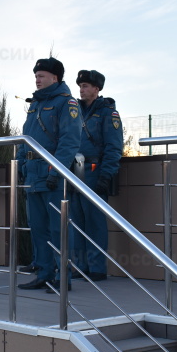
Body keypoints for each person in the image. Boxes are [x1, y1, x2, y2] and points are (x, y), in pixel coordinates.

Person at [16, 57, 81, 291]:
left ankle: (63, 277)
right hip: (33, 175)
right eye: (36, 75)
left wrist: (57, 170)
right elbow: (25, 138)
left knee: (59, 228)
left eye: (41, 75)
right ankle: (43, 272)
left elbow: (69, 141)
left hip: (52, 174)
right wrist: (22, 165)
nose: (37, 79)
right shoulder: (35, 103)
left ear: (55, 78)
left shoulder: (66, 103)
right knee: (38, 228)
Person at [70, 70, 123, 282]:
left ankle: (97, 268)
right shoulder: (75, 112)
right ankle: (80, 266)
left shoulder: (108, 113)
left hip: (94, 170)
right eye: (80, 86)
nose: (82, 90)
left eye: (86, 86)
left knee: (95, 221)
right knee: (76, 220)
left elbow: (114, 147)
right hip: (75, 169)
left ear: (97, 89)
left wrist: (106, 175)